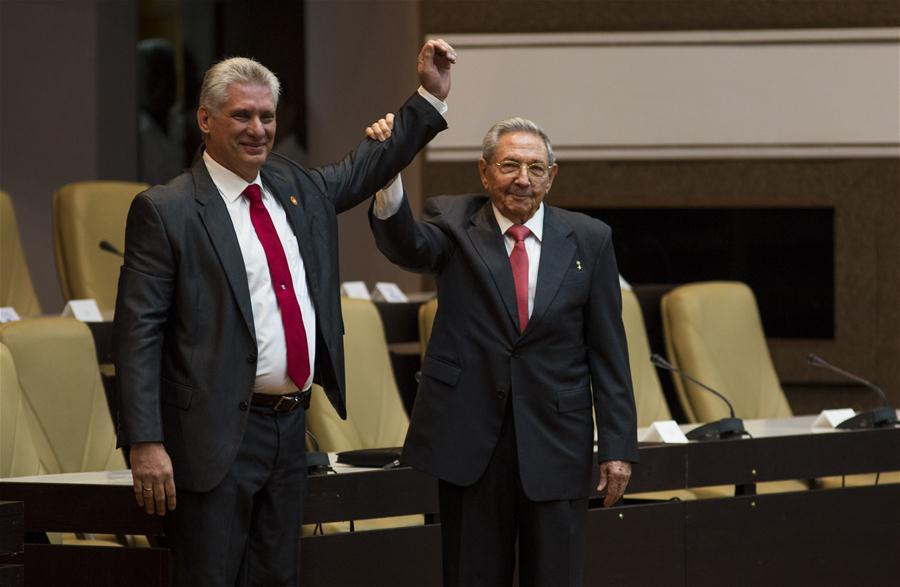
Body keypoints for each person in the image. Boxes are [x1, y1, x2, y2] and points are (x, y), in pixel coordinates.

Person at [113, 40, 456, 586]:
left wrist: (428, 98)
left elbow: (366, 167)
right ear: (205, 119)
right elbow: (138, 334)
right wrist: (146, 442)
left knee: (278, 578)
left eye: (267, 116)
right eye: (241, 115)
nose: (258, 129)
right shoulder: (167, 209)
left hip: (289, 427)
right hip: (211, 437)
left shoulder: (294, 187)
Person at [367, 115, 638, 586]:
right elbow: (406, 244)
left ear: (552, 177)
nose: (522, 179)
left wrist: (617, 446)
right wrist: (388, 174)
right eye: (510, 165)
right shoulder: (454, 223)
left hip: (557, 441)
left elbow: (609, 352)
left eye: (535, 168)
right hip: (473, 443)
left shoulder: (591, 240)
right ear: (484, 172)